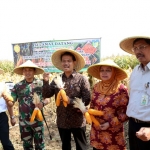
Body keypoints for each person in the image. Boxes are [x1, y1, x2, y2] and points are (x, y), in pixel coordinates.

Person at [42, 48, 91, 150]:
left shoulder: (82, 79)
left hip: (78, 120)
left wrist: (71, 101)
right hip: (62, 120)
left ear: (74, 62)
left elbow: (87, 99)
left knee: (82, 147)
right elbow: (47, 94)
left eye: (68, 61)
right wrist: (45, 82)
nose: (66, 63)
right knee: (65, 146)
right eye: (64, 61)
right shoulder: (56, 79)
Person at [87, 59, 129, 150]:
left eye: (108, 70)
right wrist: (87, 113)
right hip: (97, 132)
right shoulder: (96, 87)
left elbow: (127, 113)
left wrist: (110, 123)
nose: (104, 73)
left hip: (113, 134)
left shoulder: (121, 89)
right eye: (102, 70)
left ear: (114, 72)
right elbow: (93, 105)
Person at [6, 60, 46, 150]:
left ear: (34, 71)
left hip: (37, 121)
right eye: (25, 70)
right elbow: (12, 101)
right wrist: (7, 100)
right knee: (27, 146)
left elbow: (48, 98)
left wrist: (43, 103)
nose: (27, 72)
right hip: (24, 122)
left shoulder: (40, 84)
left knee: (40, 145)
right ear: (23, 72)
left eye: (30, 70)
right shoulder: (18, 86)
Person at [119, 35, 150, 149]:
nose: (138, 51)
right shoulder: (135, 71)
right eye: (135, 48)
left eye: (142, 47)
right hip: (133, 125)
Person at [0, 70, 16, 150]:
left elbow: (9, 104)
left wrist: (12, 117)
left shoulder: (3, 86)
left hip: (1, 117)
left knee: (6, 142)